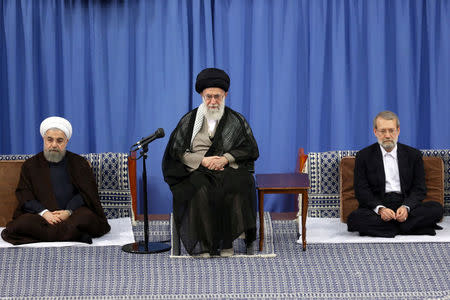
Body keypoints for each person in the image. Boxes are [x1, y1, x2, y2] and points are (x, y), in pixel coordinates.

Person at [162, 68, 259, 257]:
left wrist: (225, 158)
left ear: (226, 95)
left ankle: (226, 243)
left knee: (238, 183)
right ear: (201, 95)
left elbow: (250, 149)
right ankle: (204, 244)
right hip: (197, 170)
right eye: (208, 97)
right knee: (200, 186)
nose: (213, 102)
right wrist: (203, 160)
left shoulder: (236, 120)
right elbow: (177, 151)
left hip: (228, 168)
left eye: (217, 97)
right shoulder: (189, 121)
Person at [1, 116, 110, 245]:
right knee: (20, 224)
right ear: (44, 139)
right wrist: (45, 213)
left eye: (59, 141)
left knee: (86, 218)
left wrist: (68, 211)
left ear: (66, 141)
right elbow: (25, 195)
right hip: (42, 218)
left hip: (72, 216)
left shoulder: (79, 163)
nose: (54, 145)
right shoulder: (30, 165)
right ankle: (74, 235)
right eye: (50, 140)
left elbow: (86, 194)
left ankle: (53, 234)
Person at [347, 111, 444, 237]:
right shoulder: (363, 156)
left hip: (406, 203)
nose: (387, 135)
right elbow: (361, 190)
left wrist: (406, 207)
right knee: (354, 219)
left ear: (398, 131)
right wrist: (380, 209)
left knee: (437, 209)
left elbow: (419, 189)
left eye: (391, 130)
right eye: (383, 131)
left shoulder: (413, 155)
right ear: (375, 132)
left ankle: (390, 229)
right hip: (378, 204)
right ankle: (408, 228)